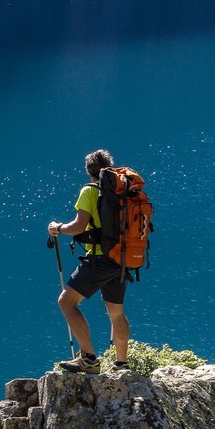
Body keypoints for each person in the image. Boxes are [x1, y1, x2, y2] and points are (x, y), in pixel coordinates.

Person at [47, 148, 132, 374]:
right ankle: (122, 365)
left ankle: (89, 359)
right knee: (117, 312)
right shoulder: (122, 190)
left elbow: (79, 226)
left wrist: (58, 228)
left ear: (88, 171)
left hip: (99, 259)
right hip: (121, 258)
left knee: (66, 302)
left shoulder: (90, 190)